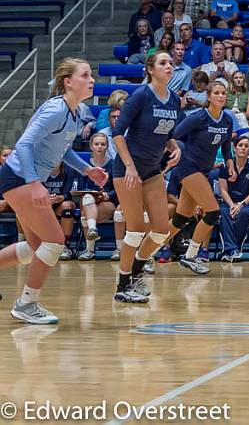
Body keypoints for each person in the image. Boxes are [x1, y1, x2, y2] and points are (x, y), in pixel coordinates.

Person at [0, 59, 109, 323]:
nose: (91, 79)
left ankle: (26, 302)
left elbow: (64, 150)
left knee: (37, 247)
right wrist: (35, 182)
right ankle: (26, 304)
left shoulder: (78, 110)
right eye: (85, 75)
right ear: (68, 82)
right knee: (55, 241)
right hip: (18, 177)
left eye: (91, 74)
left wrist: (87, 171)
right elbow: (24, 144)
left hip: (24, 179)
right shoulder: (55, 110)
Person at [109, 51, 183, 304]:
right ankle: (122, 284)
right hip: (128, 170)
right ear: (150, 69)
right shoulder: (140, 95)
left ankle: (137, 271)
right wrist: (129, 167)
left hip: (152, 170)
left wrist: (175, 148)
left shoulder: (174, 99)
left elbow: (168, 134)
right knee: (135, 230)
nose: (169, 66)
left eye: (171, 63)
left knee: (162, 230)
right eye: (163, 63)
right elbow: (118, 133)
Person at [162, 80, 236, 275]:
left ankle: (144, 254)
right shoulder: (198, 117)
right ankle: (191, 256)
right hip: (187, 168)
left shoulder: (227, 120)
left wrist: (230, 163)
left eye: (223, 93)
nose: (221, 96)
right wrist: (171, 153)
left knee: (180, 219)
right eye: (217, 93)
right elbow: (173, 135)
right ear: (209, 96)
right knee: (212, 212)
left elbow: (227, 148)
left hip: (202, 170)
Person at [72, 131, 118, 261]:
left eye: (103, 144)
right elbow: (79, 187)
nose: (99, 147)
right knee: (87, 198)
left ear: (107, 146)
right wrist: (92, 193)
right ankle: (92, 233)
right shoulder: (83, 165)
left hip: (106, 201)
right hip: (87, 199)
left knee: (86, 214)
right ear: (91, 146)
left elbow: (118, 188)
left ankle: (89, 249)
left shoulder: (113, 164)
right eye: (96, 144)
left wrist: (108, 195)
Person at [217, 136, 249, 262]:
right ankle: (233, 250)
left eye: (246, 146)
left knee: (243, 213)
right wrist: (232, 205)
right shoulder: (225, 167)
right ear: (234, 148)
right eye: (240, 145)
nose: (243, 148)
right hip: (229, 202)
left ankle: (231, 250)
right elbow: (223, 190)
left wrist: (240, 204)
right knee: (224, 212)